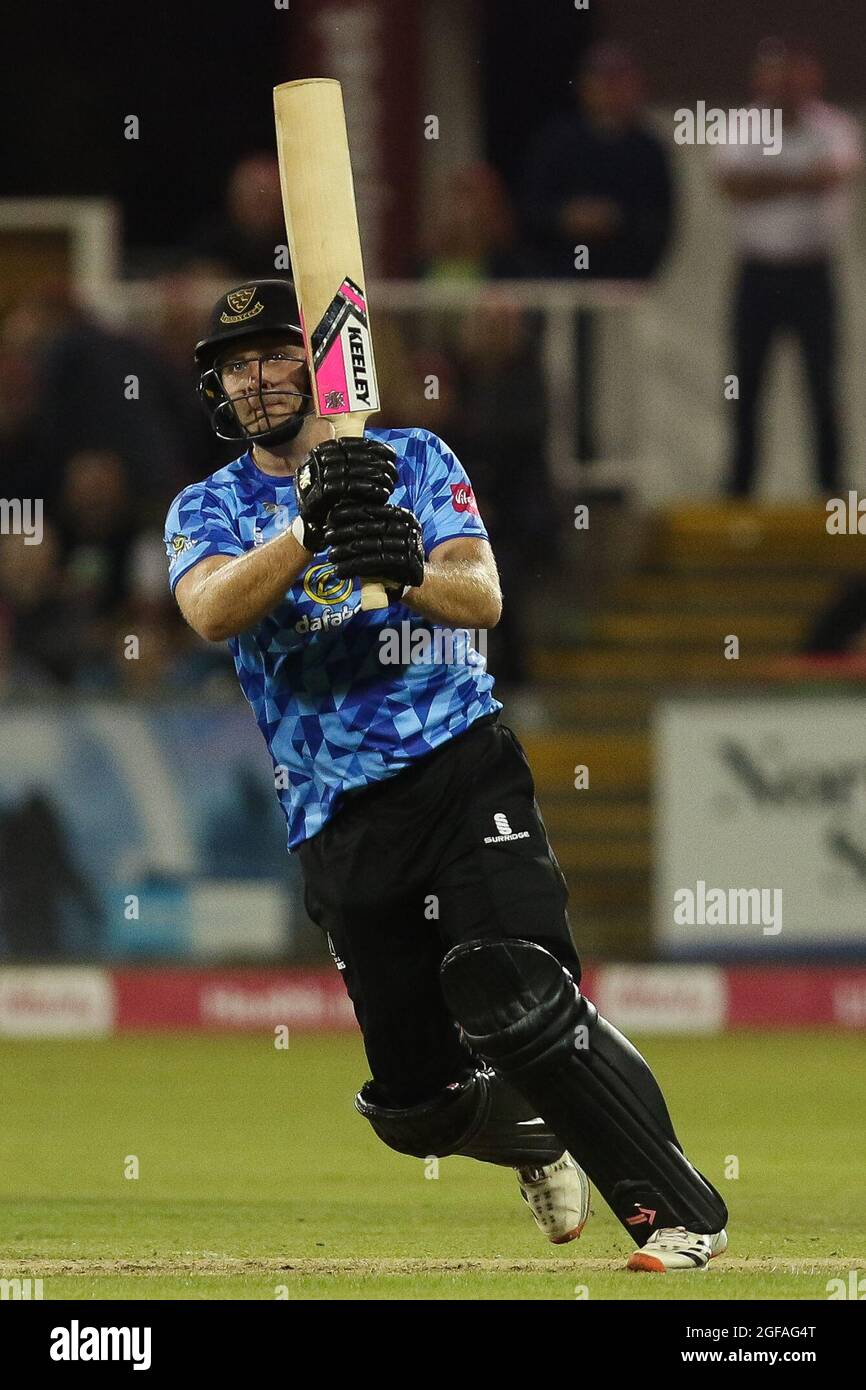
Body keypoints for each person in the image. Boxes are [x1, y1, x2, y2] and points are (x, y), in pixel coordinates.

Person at [164, 277, 728, 1272]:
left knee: (517, 989)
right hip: (337, 815)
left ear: (321, 362)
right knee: (414, 1109)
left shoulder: (414, 457)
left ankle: (677, 1214)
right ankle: (531, 1135)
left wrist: (408, 566)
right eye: (236, 366)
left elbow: (482, 596)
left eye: (275, 355)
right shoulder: (206, 506)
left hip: (461, 766)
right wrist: (305, 529)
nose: (256, 380)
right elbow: (211, 611)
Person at [715, 40, 863, 496]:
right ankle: (740, 487)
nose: (784, 86)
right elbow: (731, 184)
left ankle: (830, 487)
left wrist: (768, 182)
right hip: (758, 272)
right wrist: (802, 181)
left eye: (794, 75)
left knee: (822, 383)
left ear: (810, 79)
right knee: (745, 385)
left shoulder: (833, 126)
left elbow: (835, 176)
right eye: (775, 76)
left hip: (812, 273)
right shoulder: (742, 125)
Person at [521, 42, 674, 461]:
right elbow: (532, 212)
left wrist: (618, 227)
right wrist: (566, 220)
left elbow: (661, 220)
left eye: (620, 82)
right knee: (568, 379)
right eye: (601, 82)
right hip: (565, 292)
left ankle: (624, 467)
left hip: (627, 293)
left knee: (626, 387)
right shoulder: (559, 141)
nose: (610, 92)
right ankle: (566, 461)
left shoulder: (647, 148)